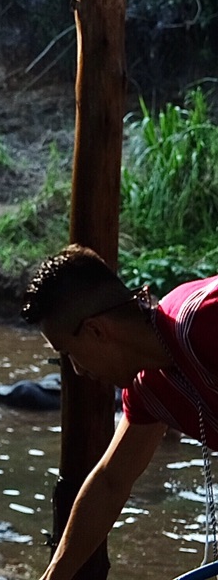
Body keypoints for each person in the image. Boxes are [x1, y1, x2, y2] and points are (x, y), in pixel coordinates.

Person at [23, 244, 218, 580]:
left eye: (69, 353)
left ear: (97, 331)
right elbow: (111, 481)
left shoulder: (202, 318)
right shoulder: (148, 389)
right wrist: (55, 575)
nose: (77, 370)